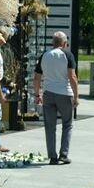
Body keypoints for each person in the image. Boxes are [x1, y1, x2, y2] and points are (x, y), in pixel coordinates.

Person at [34, 30, 79, 164]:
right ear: (64, 43)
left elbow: (36, 78)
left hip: (48, 94)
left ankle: (52, 156)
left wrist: (37, 94)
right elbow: (72, 77)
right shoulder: (68, 55)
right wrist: (76, 96)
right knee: (67, 124)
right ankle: (63, 155)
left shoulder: (44, 56)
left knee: (49, 126)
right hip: (65, 94)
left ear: (53, 43)